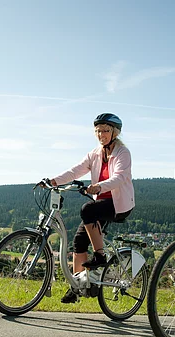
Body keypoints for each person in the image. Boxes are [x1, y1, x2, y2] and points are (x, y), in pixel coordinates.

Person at [50, 113, 135, 303]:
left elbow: (120, 177)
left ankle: (100, 256)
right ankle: (77, 285)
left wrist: (100, 186)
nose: (101, 134)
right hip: (101, 203)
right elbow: (76, 169)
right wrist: (54, 180)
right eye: (98, 131)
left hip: (119, 203)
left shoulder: (123, 153)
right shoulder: (95, 153)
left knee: (88, 209)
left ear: (115, 132)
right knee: (79, 241)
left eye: (105, 130)